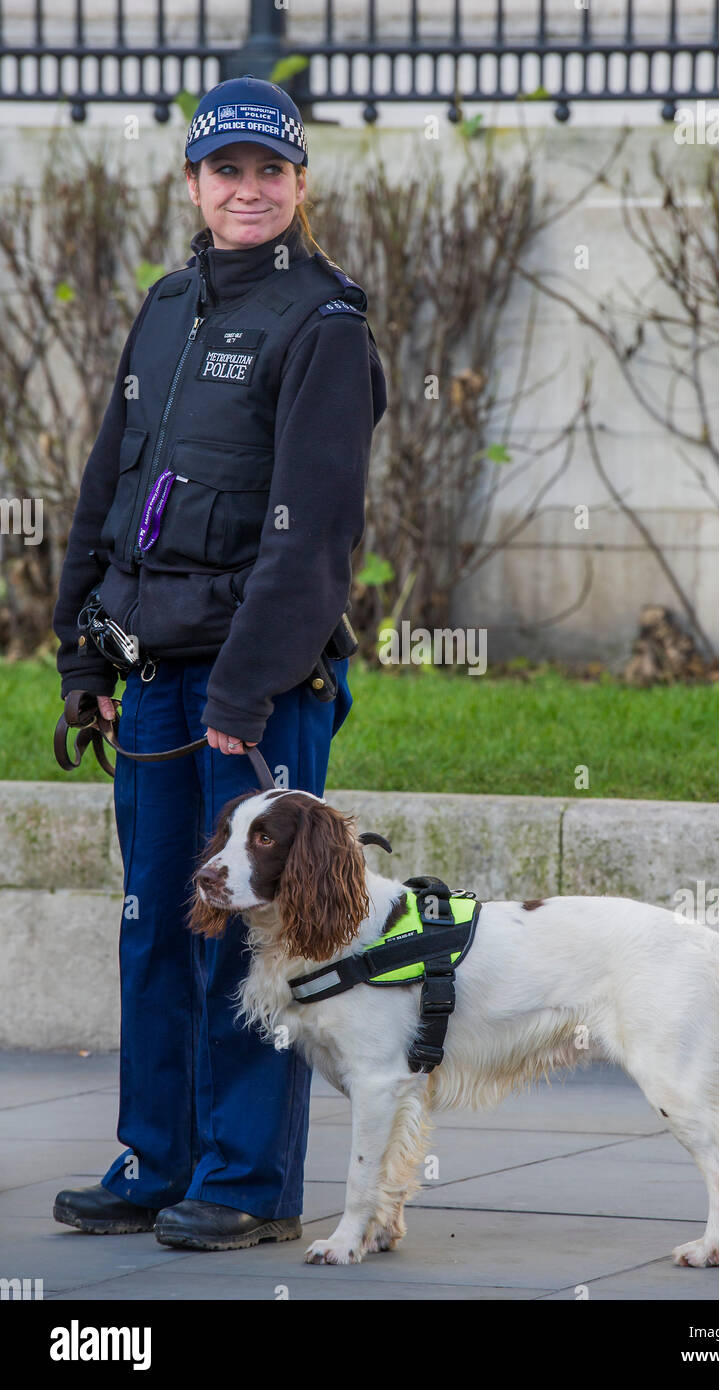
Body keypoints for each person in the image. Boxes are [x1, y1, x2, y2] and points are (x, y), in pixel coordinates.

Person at [50, 75, 387, 1251]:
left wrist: (246, 691)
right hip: (150, 677)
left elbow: (315, 536)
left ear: (299, 184)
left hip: (256, 686)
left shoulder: (325, 324)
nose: (248, 190)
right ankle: (159, 1157)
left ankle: (246, 1179)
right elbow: (111, 487)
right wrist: (81, 648)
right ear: (192, 183)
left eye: (269, 171)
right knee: (156, 921)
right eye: (225, 170)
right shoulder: (167, 304)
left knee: (257, 935)